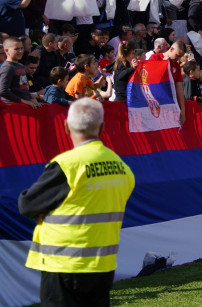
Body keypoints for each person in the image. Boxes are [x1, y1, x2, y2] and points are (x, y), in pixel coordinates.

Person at [19, 98, 136, 306]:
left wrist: (44, 212)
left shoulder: (67, 164)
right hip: (102, 265)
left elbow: (27, 205)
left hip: (63, 263)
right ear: (101, 127)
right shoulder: (123, 167)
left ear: (66, 126)